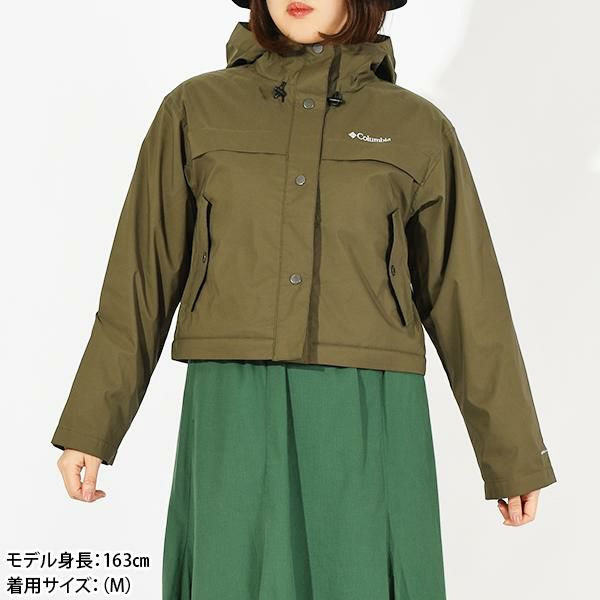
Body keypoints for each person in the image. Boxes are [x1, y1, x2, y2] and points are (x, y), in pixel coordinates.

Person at [51, 1, 557, 598]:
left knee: (363, 576)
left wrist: (512, 456)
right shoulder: (194, 110)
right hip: (231, 399)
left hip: (368, 404)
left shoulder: (417, 126)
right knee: (231, 577)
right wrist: (91, 427)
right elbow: (140, 279)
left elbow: (468, 298)